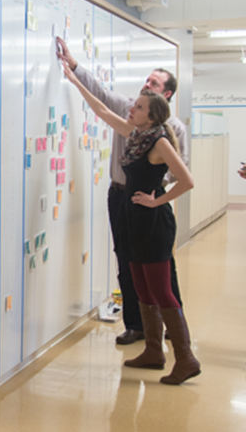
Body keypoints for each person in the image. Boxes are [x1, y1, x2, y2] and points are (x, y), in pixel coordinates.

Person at [63, 59, 200, 385]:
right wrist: (72, 77)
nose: (130, 108)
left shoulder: (160, 142)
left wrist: (156, 200)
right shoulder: (136, 134)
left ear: (152, 115)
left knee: (161, 289)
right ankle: (154, 351)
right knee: (140, 285)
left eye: (137, 106)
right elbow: (100, 107)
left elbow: (187, 180)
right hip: (131, 217)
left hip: (153, 222)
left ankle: (186, 358)